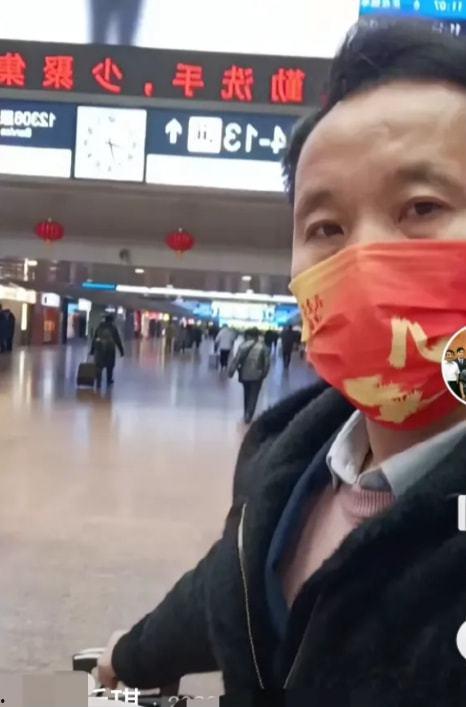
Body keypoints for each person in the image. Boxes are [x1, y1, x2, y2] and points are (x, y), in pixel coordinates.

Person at [98, 23, 466, 701]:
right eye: (326, 227)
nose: (363, 258)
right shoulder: (292, 462)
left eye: (421, 208)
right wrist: (130, 655)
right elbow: (224, 592)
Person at [228, 328, 270, 424]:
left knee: (246, 393)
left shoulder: (243, 346)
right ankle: (249, 414)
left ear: (248, 335)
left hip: (244, 374)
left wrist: (231, 371)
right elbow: (267, 363)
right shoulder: (263, 347)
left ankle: (246, 412)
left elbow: (236, 360)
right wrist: (264, 373)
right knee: (254, 395)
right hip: (258, 375)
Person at [90, 315, 124, 388]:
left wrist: (92, 350)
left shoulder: (99, 327)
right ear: (112, 321)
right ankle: (109, 379)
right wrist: (121, 351)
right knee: (110, 365)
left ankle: (98, 381)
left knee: (99, 366)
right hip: (110, 348)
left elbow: (95, 339)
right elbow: (117, 340)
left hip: (99, 348)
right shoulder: (113, 328)